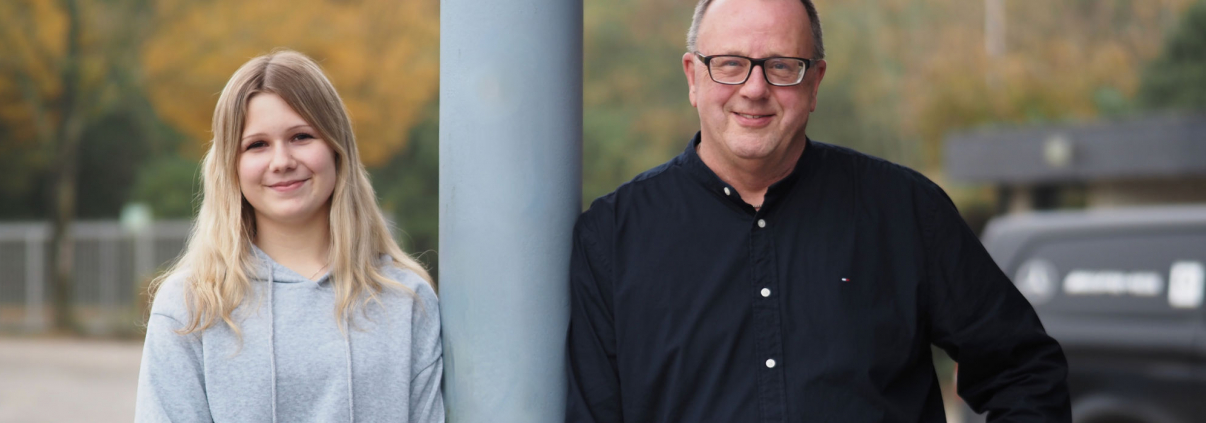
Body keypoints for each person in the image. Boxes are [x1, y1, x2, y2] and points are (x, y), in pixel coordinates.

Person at [565, 0, 1071, 422]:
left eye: (782, 65)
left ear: (815, 83)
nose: (755, 88)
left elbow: (1024, 370)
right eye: (730, 63)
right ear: (693, 76)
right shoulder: (611, 237)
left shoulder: (906, 212)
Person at [135, 50, 443, 423]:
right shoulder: (190, 307)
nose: (281, 161)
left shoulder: (407, 300)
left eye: (300, 136)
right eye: (257, 145)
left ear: (336, 148)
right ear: (230, 166)